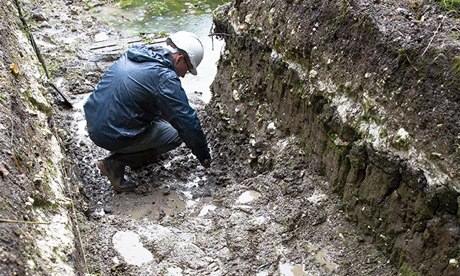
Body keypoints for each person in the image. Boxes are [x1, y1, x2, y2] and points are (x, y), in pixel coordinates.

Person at [83, 31, 211, 192]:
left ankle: (134, 154)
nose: (184, 75)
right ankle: (115, 163)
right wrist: (204, 157)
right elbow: (186, 122)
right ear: (179, 58)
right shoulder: (164, 78)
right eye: (187, 68)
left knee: (163, 115)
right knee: (176, 134)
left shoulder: (137, 53)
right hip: (111, 133)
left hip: (95, 121)